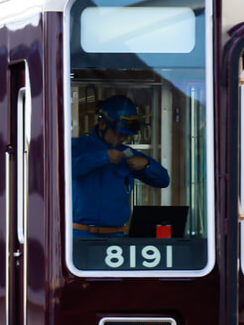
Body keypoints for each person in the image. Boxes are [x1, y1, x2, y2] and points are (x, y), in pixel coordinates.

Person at [71, 94, 170, 237]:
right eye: (118, 134)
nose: (122, 138)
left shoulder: (127, 154)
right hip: (80, 234)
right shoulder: (77, 147)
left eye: (126, 135)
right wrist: (104, 157)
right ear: (103, 124)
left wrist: (147, 165)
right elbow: (65, 172)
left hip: (116, 235)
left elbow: (163, 180)